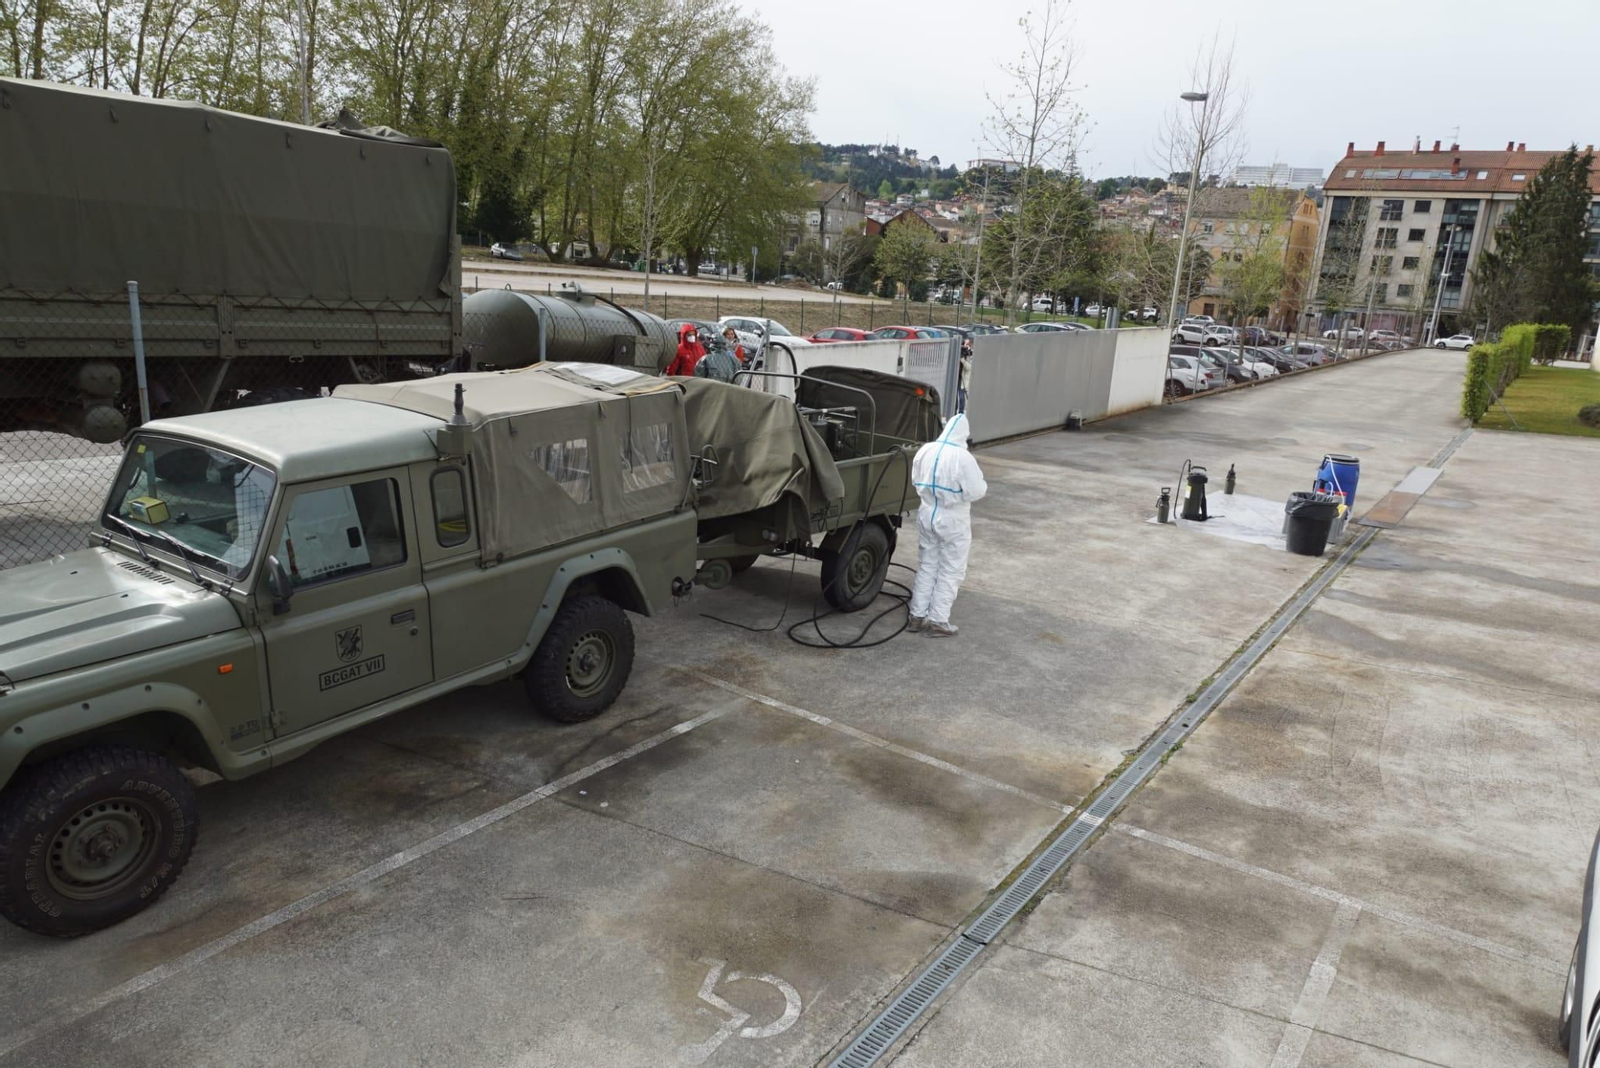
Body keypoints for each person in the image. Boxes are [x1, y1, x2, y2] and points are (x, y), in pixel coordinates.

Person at [907, 412, 987, 637]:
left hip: (926, 512)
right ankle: (938, 621)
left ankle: (916, 616)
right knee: (951, 568)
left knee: (927, 564)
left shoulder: (925, 450)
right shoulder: (962, 457)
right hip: (952, 517)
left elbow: (915, 479)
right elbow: (977, 490)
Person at [957, 336, 973, 413]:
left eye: (968, 345)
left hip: (963, 377)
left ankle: (961, 412)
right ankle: (954, 412)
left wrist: (963, 360)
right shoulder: (958, 350)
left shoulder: (970, 353)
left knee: (961, 396)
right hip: (956, 375)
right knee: (954, 397)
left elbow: (969, 368)